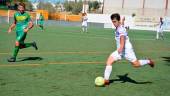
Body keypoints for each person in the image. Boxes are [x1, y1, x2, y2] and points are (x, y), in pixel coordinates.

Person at [103, 13, 154, 85]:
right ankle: (106, 80)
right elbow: (122, 24)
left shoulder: (120, 29)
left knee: (136, 64)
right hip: (120, 50)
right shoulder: (120, 25)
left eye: (115, 21)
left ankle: (148, 61)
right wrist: (123, 20)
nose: (113, 23)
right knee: (109, 62)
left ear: (118, 21)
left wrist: (121, 47)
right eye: (112, 21)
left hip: (127, 50)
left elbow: (122, 38)